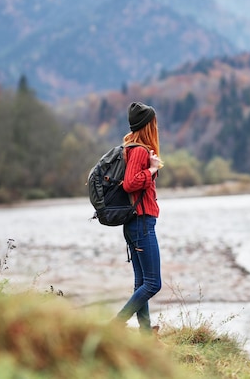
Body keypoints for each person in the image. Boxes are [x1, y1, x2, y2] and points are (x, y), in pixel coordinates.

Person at [112, 102, 163, 334]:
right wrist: (152, 170)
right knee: (153, 284)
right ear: (148, 125)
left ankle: (145, 333)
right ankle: (114, 325)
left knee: (142, 282)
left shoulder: (133, 148)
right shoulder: (139, 150)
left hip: (137, 223)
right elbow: (130, 183)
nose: (156, 126)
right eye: (154, 123)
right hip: (141, 222)